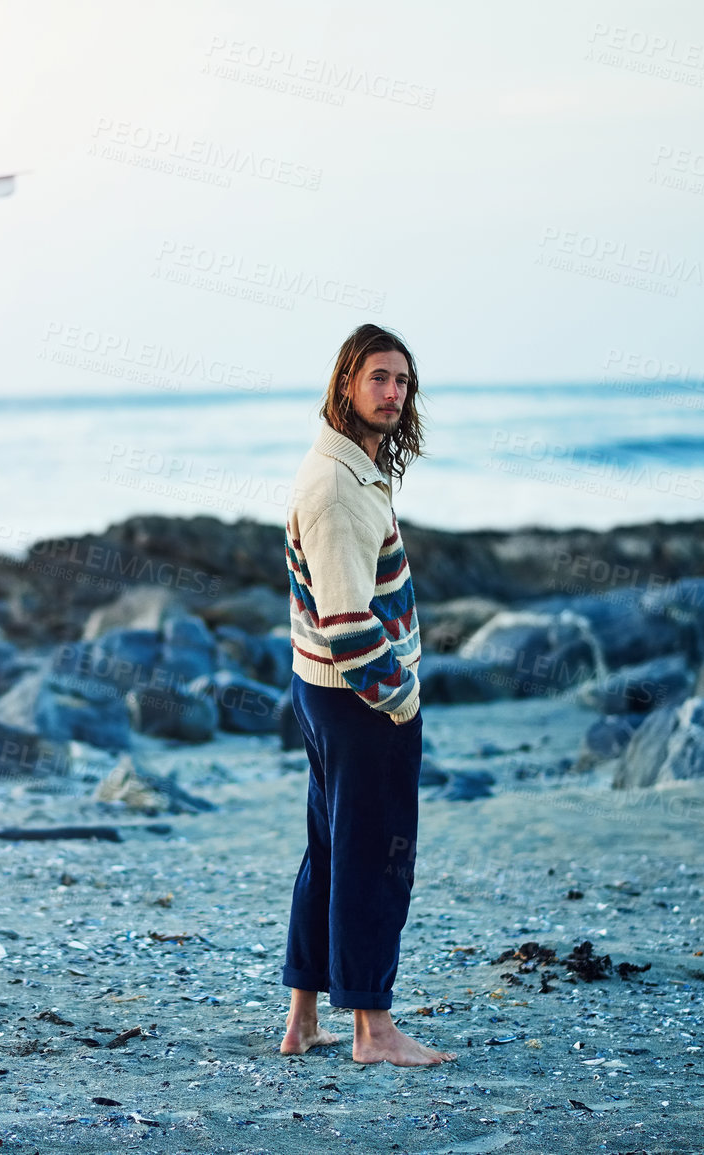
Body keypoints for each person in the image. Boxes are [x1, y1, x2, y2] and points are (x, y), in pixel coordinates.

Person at [277, 322, 456, 1066]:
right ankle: (373, 1032)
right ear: (345, 381)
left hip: (321, 694)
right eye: (378, 377)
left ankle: (303, 1019)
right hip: (360, 702)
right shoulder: (338, 488)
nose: (392, 393)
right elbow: (349, 624)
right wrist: (400, 699)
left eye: (402, 381)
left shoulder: (342, 467)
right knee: (374, 861)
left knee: (329, 853)